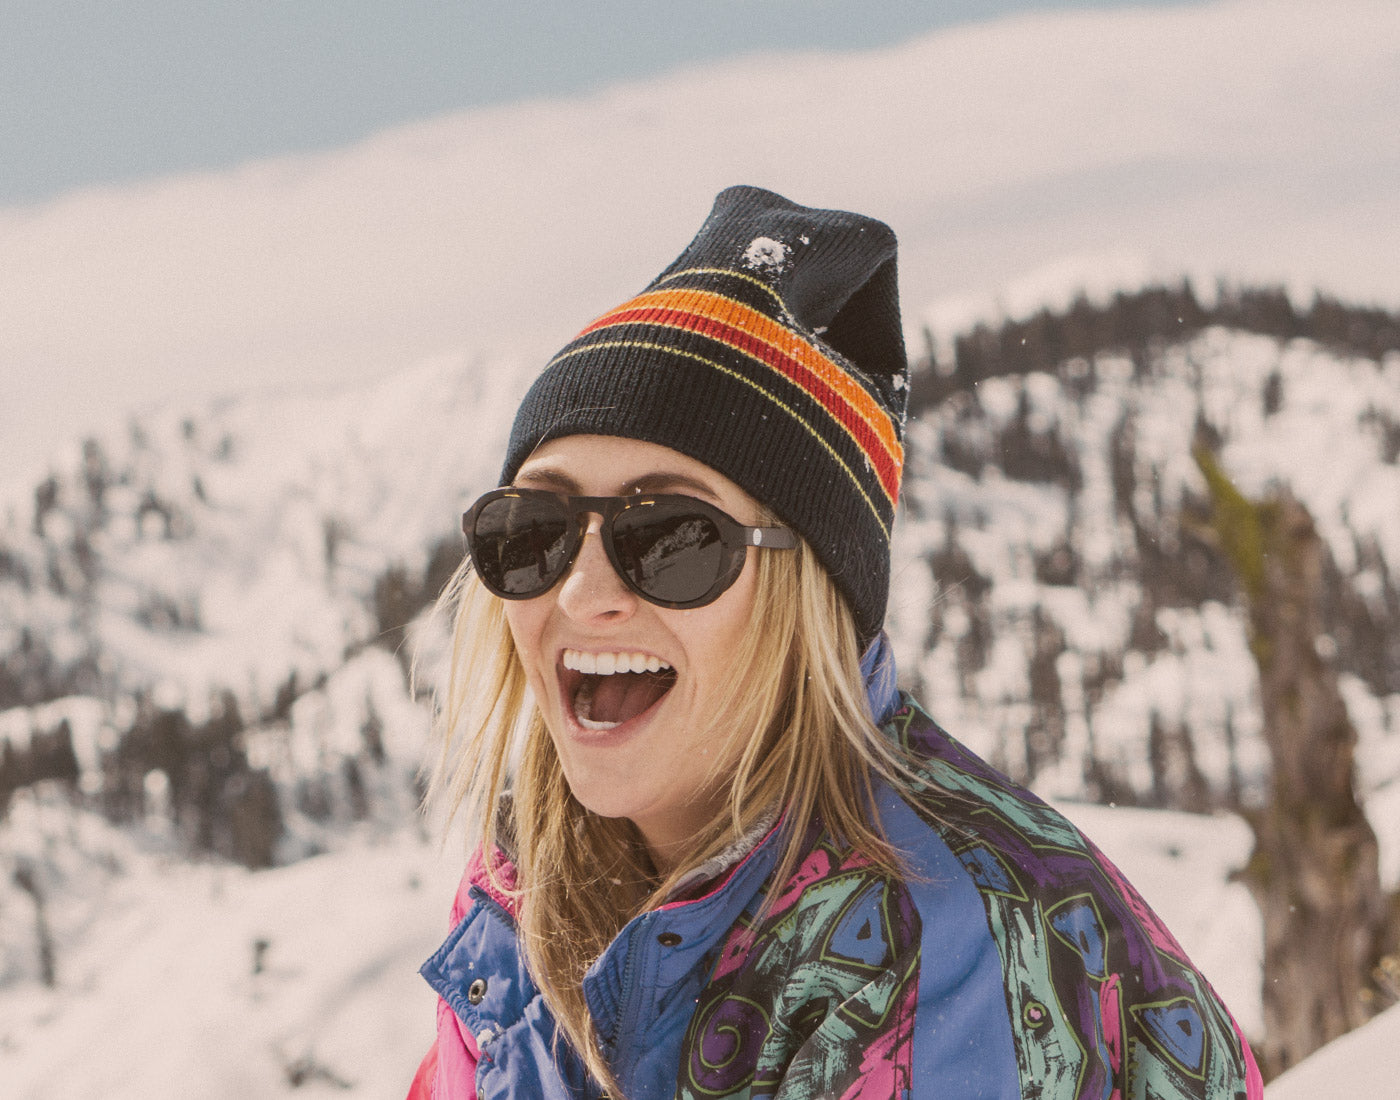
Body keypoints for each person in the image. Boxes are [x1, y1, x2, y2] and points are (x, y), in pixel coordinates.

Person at [407, 186, 1263, 1099]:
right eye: (532, 529)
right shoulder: (521, 900)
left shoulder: (938, 940)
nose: (582, 592)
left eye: (671, 541)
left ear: (809, 596)